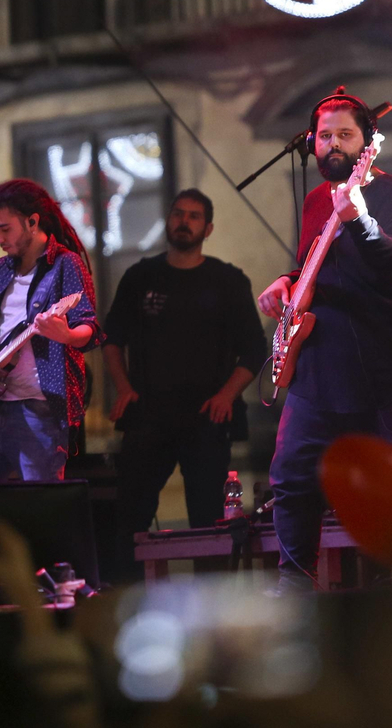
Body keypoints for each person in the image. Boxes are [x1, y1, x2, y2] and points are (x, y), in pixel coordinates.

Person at [256, 91, 392, 591]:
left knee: (391, 488)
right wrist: (286, 281)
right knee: (291, 478)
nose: (333, 145)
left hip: (382, 366)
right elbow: (322, 261)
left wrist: (360, 220)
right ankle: (295, 588)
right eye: (325, 136)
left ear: (368, 143)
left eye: (345, 135)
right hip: (320, 362)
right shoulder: (315, 200)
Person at [103, 189, 266, 577]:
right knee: (130, 515)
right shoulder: (140, 276)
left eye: (194, 216)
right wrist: (124, 388)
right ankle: (126, 596)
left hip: (207, 416)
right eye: (178, 213)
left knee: (209, 520)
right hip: (148, 412)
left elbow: (255, 350)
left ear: (207, 228)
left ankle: (211, 602)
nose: (184, 221)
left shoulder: (228, 281)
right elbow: (111, 339)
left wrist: (228, 395)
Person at [0, 180, 101, 483]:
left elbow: (89, 327)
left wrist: (66, 335)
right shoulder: (1, 268)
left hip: (38, 411)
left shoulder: (65, 264)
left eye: (5, 229)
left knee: (43, 510)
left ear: (32, 221)